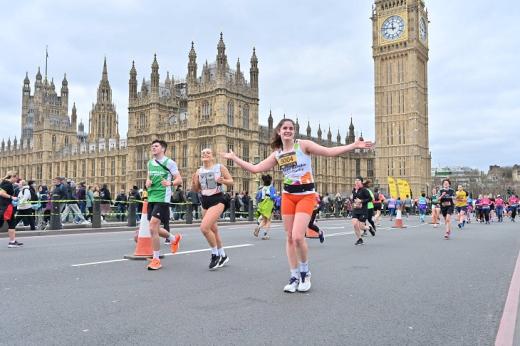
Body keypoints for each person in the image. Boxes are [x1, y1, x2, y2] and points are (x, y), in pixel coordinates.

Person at [222, 118, 372, 293]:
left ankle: (304, 272)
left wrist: (353, 146)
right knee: (290, 238)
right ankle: (293, 276)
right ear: (279, 131)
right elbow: (256, 169)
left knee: (298, 236)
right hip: (288, 195)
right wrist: (234, 158)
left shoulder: (303, 145)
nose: (287, 130)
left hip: (306, 195)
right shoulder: (277, 153)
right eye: (284, 128)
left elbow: (329, 152)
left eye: (291, 128)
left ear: (294, 131)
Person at [192, 148, 233, 270]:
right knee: (213, 230)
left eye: (208, 153)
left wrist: (223, 180)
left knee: (204, 228)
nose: (205, 154)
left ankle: (215, 254)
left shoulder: (219, 168)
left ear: (212, 156)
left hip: (218, 199)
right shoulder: (199, 170)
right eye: (203, 153)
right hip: (204, 200)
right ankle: (223, 255)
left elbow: (231, 182)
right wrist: (194, 182)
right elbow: (196, 189)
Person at [145, 139, 183, 270]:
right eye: (152, 146)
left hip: (163, 198)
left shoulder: (169, 162)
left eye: (156, 146)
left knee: (151, 228)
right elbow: (148, 178)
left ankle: (156, 259)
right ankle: (174, 238)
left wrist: (170, 183)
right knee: (154, 228)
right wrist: (147, 183)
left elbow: (179, 179)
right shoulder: (150, 163)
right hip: (151, 197)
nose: (153, 148)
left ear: (163, 149)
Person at [0, 171, 23, 247]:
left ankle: (12, 241)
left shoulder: (5, 183)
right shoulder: (8, 184)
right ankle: (12, 242)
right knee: (5, 223)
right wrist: (12, 197)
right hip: (6, 207)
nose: (17, 179)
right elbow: (1, 193)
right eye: (16, 178)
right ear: (12, 177)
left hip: (5, 206)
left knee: (12, 223)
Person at [254, 174, 276, 240]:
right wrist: (275, 195)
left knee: (264, 220)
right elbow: (272, 197)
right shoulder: (271, 188)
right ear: (270, 181)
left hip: (262, 204)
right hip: (269, 205)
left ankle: (258, 227)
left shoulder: (262, 188)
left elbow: (258, 197)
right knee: (269, 220)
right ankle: (265, 234)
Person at [352, 177, 373, 244]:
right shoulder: (354, 190)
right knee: (355, 224)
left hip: (363, 210)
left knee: (361, 227)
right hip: (356, 209)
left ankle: (369, 228)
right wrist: (354, 203)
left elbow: (370, 199)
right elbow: (354, 199)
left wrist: (361, 201)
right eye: (356, 180)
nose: (357, 181)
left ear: (361, 182)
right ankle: (360, 239)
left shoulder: (364, 190)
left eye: (358, 180)